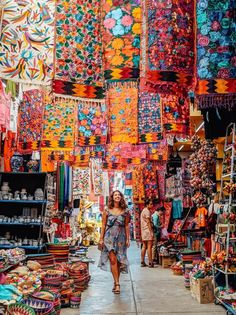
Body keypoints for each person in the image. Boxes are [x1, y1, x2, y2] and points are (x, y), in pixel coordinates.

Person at [98, 190, 130, 294]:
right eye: (115, 195)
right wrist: (101, 238)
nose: (117, 196)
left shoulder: (125, 211)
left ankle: (116, 280)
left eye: (119, 195)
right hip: (109, 238)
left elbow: (126, 225)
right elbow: (103, 225)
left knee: (119, 261)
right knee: (113, 260)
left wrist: (128, 239)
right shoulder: (107, 210)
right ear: (112, 197)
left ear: (121, 197)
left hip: (121, 238)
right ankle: (117, 284)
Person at [140, 199, 154, 267]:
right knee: (149, 247)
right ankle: (150, 262)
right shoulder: (147, 211)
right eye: (150, 204)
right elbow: (148, 222)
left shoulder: (143, 211)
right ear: (147, 204)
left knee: (144, 246)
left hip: (143, 231)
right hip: (147, 230)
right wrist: (151, 232)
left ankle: (142, 261)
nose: (152, 205)